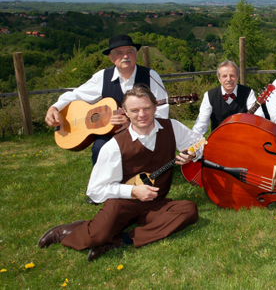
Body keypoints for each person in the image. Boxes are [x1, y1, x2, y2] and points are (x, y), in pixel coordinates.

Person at [37, 84, 200, 261]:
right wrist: (132, 191)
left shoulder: (171, 127)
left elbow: (199, 143)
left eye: (146, 108)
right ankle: (70, 230)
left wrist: (192, 153)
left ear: (155, 108)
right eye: (134, 110)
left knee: (188, 210)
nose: (142, 114)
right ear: (125, 113)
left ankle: (121, 240)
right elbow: (95, 190)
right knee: (96, 236)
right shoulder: (114, 146)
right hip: (123, 204)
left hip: (155, 203)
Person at [45, 34, 169, 165]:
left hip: (143, 132)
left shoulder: (150, 76)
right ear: (111, 58)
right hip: (110, 133)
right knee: (99, 148)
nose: (125, 56)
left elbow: (162, 112)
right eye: (119, 53)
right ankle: (102, 183)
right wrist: (55, 107)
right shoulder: (102, 76)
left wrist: (133, 124)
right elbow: (76, 95)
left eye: (129, 52)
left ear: (136, 54)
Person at [192, 60, 264, 136]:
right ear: (219, 79)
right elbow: (201, 124)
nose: (229, 79)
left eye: (232, 75)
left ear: (237, 77)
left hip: (243, 139)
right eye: (224, 76)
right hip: (218, 141)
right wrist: (191, 143)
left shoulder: (248, 92)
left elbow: (259, 117)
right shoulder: (209, 95)